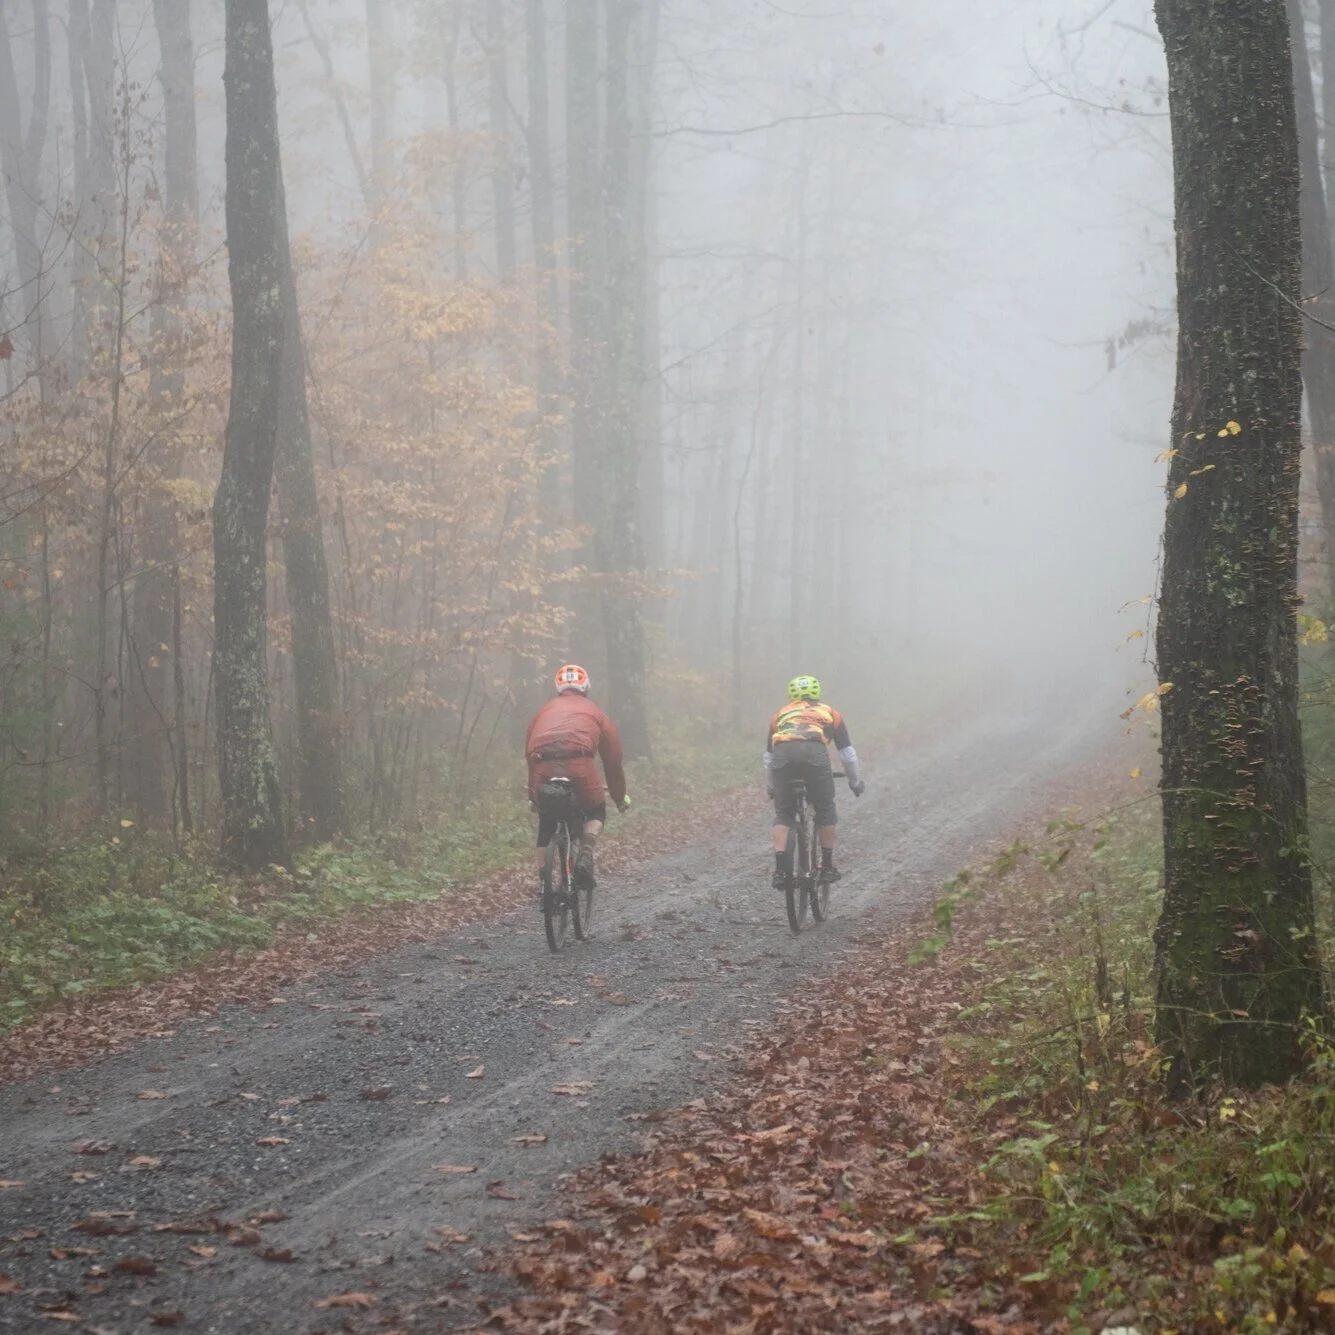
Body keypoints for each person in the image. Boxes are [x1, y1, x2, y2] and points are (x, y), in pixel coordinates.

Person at [525, 664, 630, 893]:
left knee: (546, 820)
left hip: (544, 766)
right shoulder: (595, 713)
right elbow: (613, 760)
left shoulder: (543, 712)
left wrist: (534, 795)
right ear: (586, 688)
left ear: (558, 688)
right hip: (580, 765)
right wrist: (619, 796)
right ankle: (585, 853)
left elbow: (529, 754)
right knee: (596, 811)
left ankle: (545, 883)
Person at [765, 675, 865, 891]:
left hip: (783, 755)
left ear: (791, 694)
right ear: (817, 692)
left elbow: (768, 757)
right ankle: (827, 866)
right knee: (825, 808)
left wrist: (772, 787)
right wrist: (855, 782)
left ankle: (781, 871)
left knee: (783, 814)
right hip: (814, 754)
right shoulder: (830, 713)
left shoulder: (780, 715)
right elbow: (847, 754)